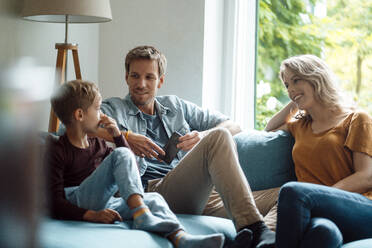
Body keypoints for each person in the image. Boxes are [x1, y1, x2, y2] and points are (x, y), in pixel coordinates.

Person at [97, 45, 279, 248]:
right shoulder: (114, 108)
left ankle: (257, 241)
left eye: (149, 77)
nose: (141, 84)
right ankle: (255, 227)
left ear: (161, 80)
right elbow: (73, 126)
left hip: (196, 194)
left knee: (286, 194)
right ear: (126, 77)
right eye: (135, 76)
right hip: (153, 192)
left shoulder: (175, 106)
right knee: (219, 137)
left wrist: (201, 135)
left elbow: (233, 125)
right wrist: (126, 137)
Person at [47, 80, 226, 248]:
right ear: (79, 115)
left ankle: (181, 238)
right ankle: (141, 213)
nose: (102, 115)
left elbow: (128, 165)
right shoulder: (57, 149)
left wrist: (118, 135)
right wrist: (91, 215)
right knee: (121, 153)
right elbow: (54, 202)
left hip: (105, 201)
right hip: (76, 200)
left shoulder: (97, 144)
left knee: (155, 199)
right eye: (98, 109)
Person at [265, 54, 372, 248]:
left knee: (291, 191)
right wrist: (296, 98)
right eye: (287, 85)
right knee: (322, 233)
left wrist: (318, 197)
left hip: (360, 206)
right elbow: (269, 128)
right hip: (318, 211)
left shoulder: (356, 119)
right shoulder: (300, 125)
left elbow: (366, 177)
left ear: (317, 78)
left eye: (297, 80)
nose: (290, 89)